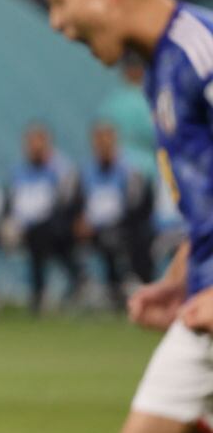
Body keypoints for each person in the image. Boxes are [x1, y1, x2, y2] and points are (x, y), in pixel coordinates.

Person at [33, 0, 213, 433]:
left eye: (60, 1)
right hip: (200, 310)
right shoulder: (161, 69)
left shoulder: (200, 48)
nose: (57, 23)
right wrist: (178, 278)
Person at [4, 124, 82, 314]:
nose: (35, 147)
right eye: (31, 143)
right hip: (24, 226)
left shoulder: (60, 170)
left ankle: (41, 293)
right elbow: (9, 204)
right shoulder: (19, 172)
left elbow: (68, 204)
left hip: (53, 226)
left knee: (41, 236)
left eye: (39, 142)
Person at [75, 123, 154, 308]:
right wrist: (79, 220)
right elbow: (76, 204)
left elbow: (137, 208)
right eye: (98, 140)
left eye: (107, 139)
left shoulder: (129, 172)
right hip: (92, 229)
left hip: (122, 227)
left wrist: (106, 223)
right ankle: (84, 285)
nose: (103, 144)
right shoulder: (85, 173)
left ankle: (126, 287)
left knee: (124, 238)